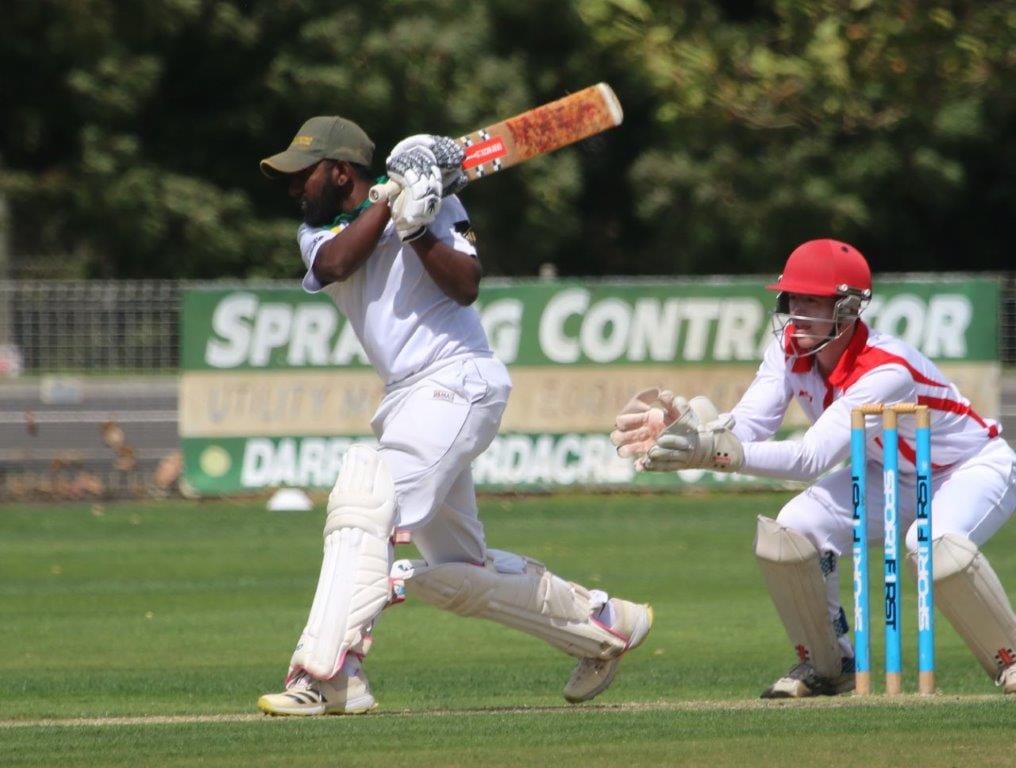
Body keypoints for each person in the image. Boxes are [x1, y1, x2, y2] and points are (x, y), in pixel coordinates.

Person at [254, 116, 652, 715]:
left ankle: (326, 673)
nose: (293, 187)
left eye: (302, 174)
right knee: (457, 573)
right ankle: (603, 623)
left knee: (366, 497)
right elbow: (338, 263)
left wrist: (418, 228)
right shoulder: (317, 233)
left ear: (339, 171)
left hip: (457, 380)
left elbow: (465, 285)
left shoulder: (434, 203)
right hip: (407, 399)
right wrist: (393, 203)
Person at [610, 238, 1016, 698]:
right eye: (793, 299)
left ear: (848, 308)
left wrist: (714, 453)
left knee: (931, 545)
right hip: (889, 472)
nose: (797, 313)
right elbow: (748, 426)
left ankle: (1010, 658)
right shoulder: (787, 350)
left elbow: (811, 459)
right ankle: (830, 665)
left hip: (970, 467)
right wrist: (692, 431)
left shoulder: (886, 371)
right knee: (792, 530)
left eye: (813, 301)